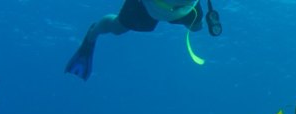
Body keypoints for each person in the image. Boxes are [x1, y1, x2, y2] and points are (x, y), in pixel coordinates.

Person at [65, 0, 223, 81]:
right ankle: (92, 34)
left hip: (184, 11)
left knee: (197, 26)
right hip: (147, 6)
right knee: (117, 28)